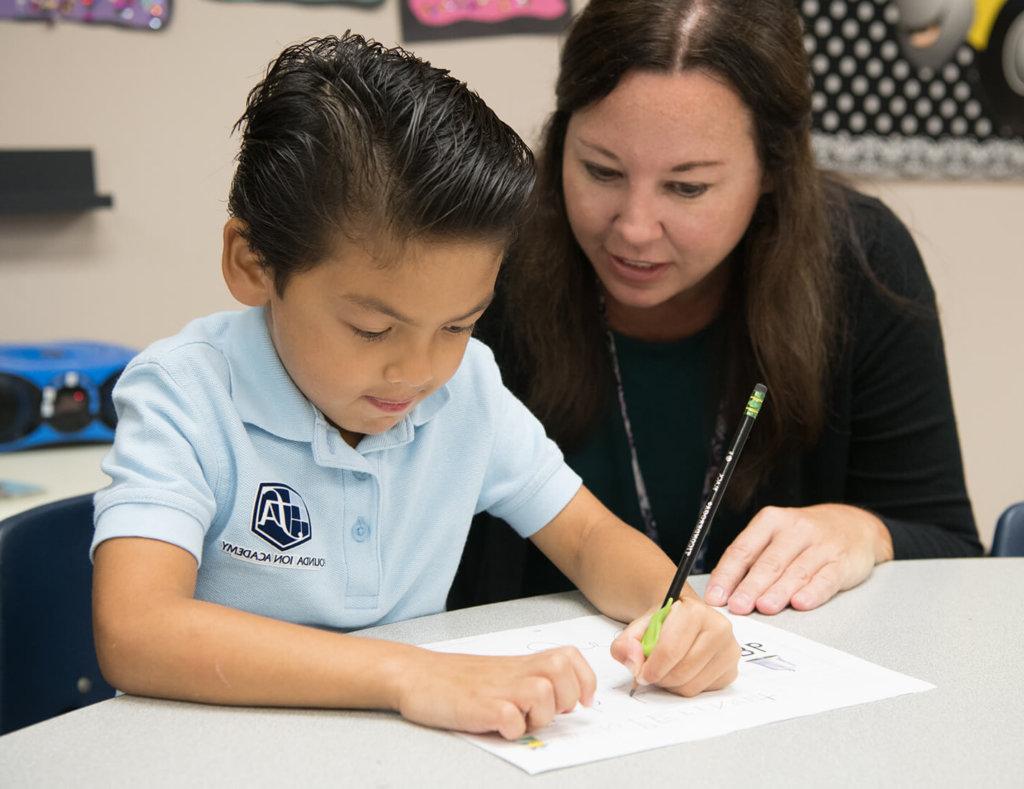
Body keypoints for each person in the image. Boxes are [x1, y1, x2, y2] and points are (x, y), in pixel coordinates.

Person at [89, 33, 741, 741]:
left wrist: (678, 613)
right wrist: (408, 674)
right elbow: (136, 629)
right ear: (253, 264)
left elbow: (586, 536)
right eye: (373, 329)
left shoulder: (469, 394)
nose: (419, 372)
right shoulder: (186, 393)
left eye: (459, 325)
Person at [448, 0, 982, 616]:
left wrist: (863, 531)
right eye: (601, 170)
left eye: (686, 186)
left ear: (772, 169)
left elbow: (950, 548)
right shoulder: (484, 262)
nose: (635, 228)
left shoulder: (860, 261)